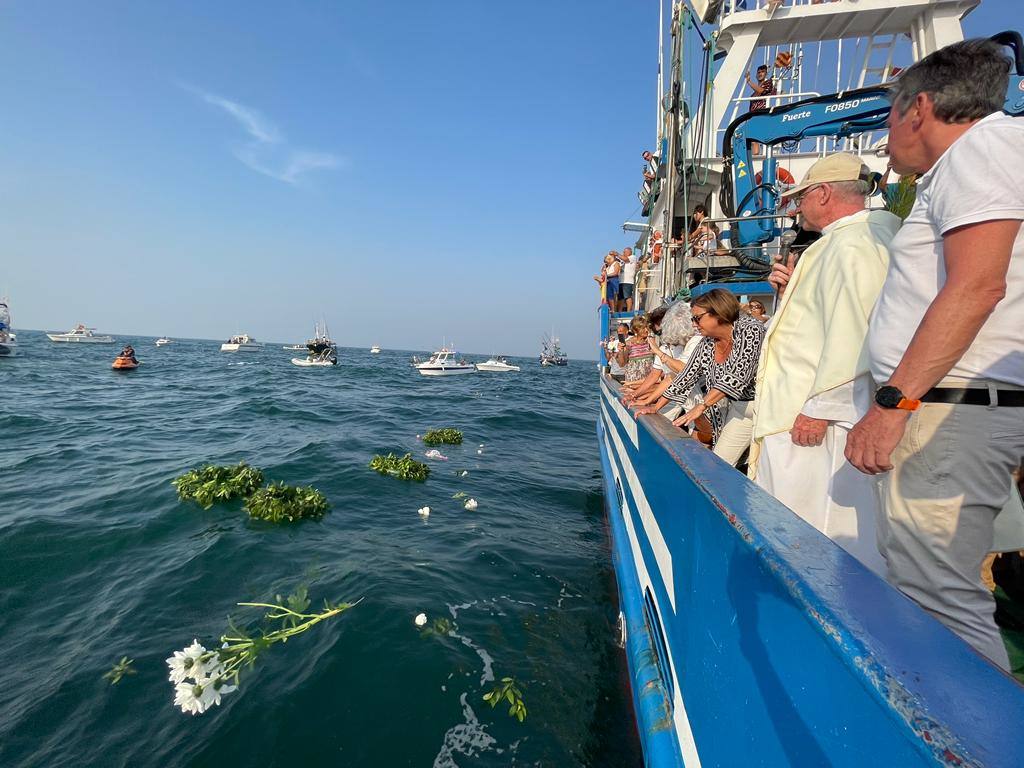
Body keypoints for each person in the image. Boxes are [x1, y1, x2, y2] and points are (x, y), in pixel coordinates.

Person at [845, 38, 1024, 669]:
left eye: (888, 115)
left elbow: (977, 285)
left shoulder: (984, 148)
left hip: (949, 408)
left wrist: (893, 404)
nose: (887, 134)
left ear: (918, 108)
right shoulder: (977, 160)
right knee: (927, 590)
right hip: (950, 405)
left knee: (939, 602)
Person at [749, 153, 902, 575]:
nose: (797, 207)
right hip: (805, 413)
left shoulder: (853, 244)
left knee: (819, 529)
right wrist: (787, 291)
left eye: (801, 198)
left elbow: (856, 333)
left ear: (823, 193)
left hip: (816, 423)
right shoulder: (844, 242)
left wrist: (822, 409)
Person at [637, 289, 765, 466]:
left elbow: (738, 374)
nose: (694, 324)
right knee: (720, 462)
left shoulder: (750, 329)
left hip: (768, 408)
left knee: (765, 469)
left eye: (697, 318)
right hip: (741, 409)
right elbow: (685, 376)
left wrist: (702, 405)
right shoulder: (706, 343)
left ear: (718, 313)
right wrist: (656, 407)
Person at [616, 315, 656, 386]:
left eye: (647, 327)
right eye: (643, 328)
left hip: (648, 383)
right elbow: (622, 364)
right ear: (635, 330)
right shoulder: (629, 344)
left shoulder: (650, 341)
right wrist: (621, 351)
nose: (646, 330)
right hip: (633, 382)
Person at [617, 247, 639, 313]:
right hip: (621, 281)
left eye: (624, 252)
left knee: (627, 296)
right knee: (620, 297)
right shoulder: (622, 261)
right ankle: (619, 311)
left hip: (628, 281)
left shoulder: (633, 257)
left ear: (629, 252)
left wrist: (617, 254)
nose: (623, 253)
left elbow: (626, 259)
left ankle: (628, 311)